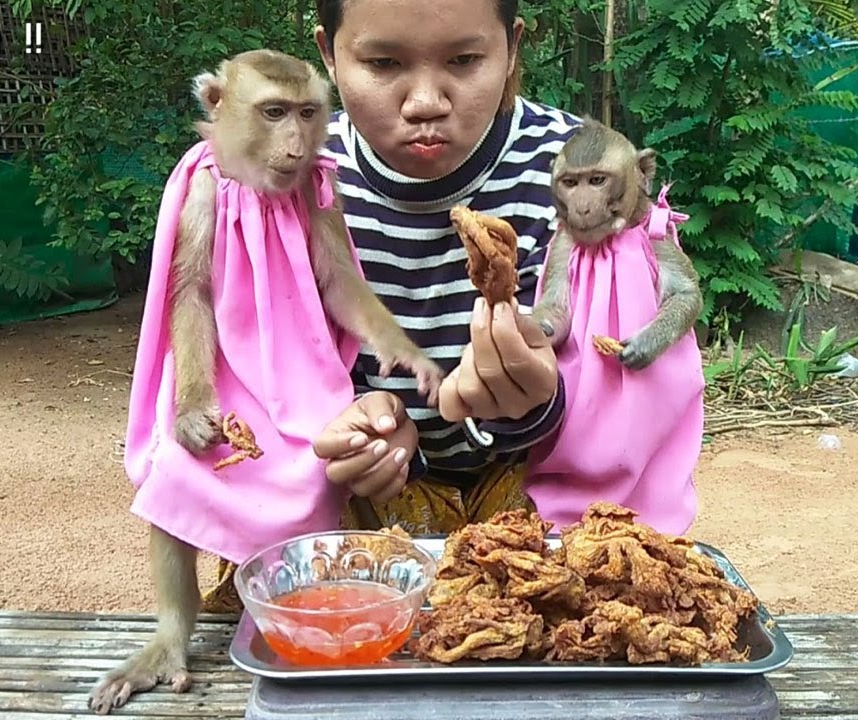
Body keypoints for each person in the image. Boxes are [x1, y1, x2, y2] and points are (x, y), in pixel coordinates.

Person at [199, 0, 705, 613]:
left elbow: (625, 405)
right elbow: (259, 358)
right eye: (384, 62)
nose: (425, 102)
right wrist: (353, 422)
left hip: (542, 506)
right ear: (328, 54)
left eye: (464, 60)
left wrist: (532, 410)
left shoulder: (580, 172)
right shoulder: (291, 178)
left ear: (513, 47)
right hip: (352, 513)